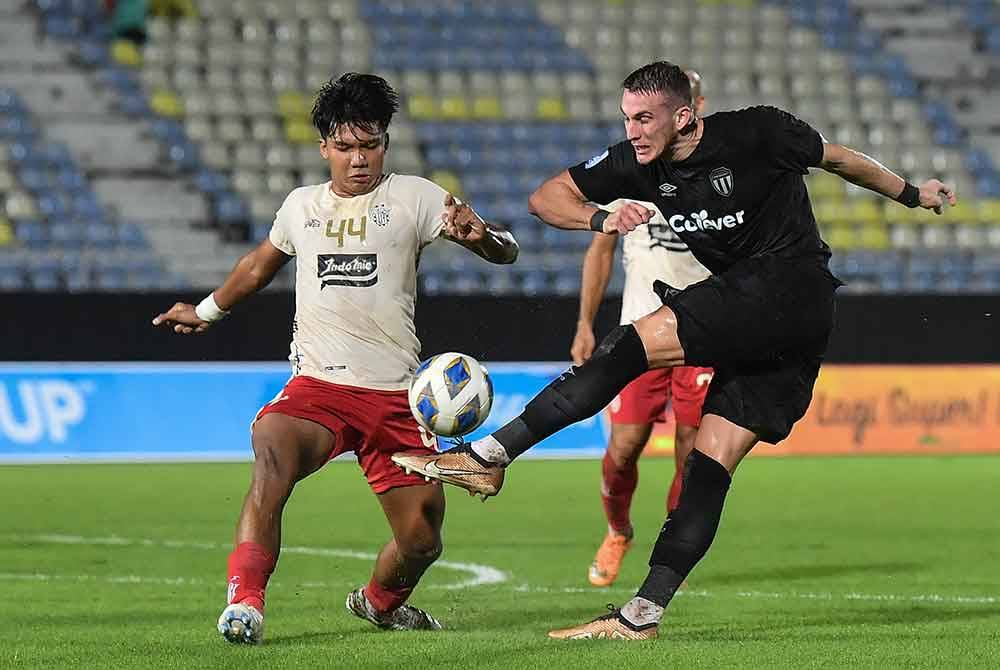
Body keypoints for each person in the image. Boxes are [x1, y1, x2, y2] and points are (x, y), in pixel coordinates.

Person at [393, 61, 954, 640]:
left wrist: (912, 194)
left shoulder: (760, 130)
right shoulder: (635, 166)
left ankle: (489, 456)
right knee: (708, 466)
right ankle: (642, 616)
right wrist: (601, 216)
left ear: (683, 116)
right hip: (776, 330)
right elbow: (544, 199)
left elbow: (837, 158)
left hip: (789, 288)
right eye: (626, 118)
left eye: (644, 118)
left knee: (625, 348)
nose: (632, 131)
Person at [152, 73, 518, 644]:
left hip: (399, 396)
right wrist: (206, 311)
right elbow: (259, 266)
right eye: (344, 147)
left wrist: (484, 238)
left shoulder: (417, 197)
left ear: (385, 144)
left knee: (422, 540)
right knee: (272, 453)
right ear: (324, 147)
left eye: (369, 145)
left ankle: (379, 604)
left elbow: (505, 251)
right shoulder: (301, 206)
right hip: (318, 387)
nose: (358, 160)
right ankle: (246, 602)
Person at [576, 70, 712, 589]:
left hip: (704, 334)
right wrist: (586, 324)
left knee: (692, 452)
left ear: (692, 108)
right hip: (640, 334)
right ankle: (618, 530)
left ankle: (670, 550)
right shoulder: (629, 171)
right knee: (624, 447)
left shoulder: (718, 173)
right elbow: (602, 249)